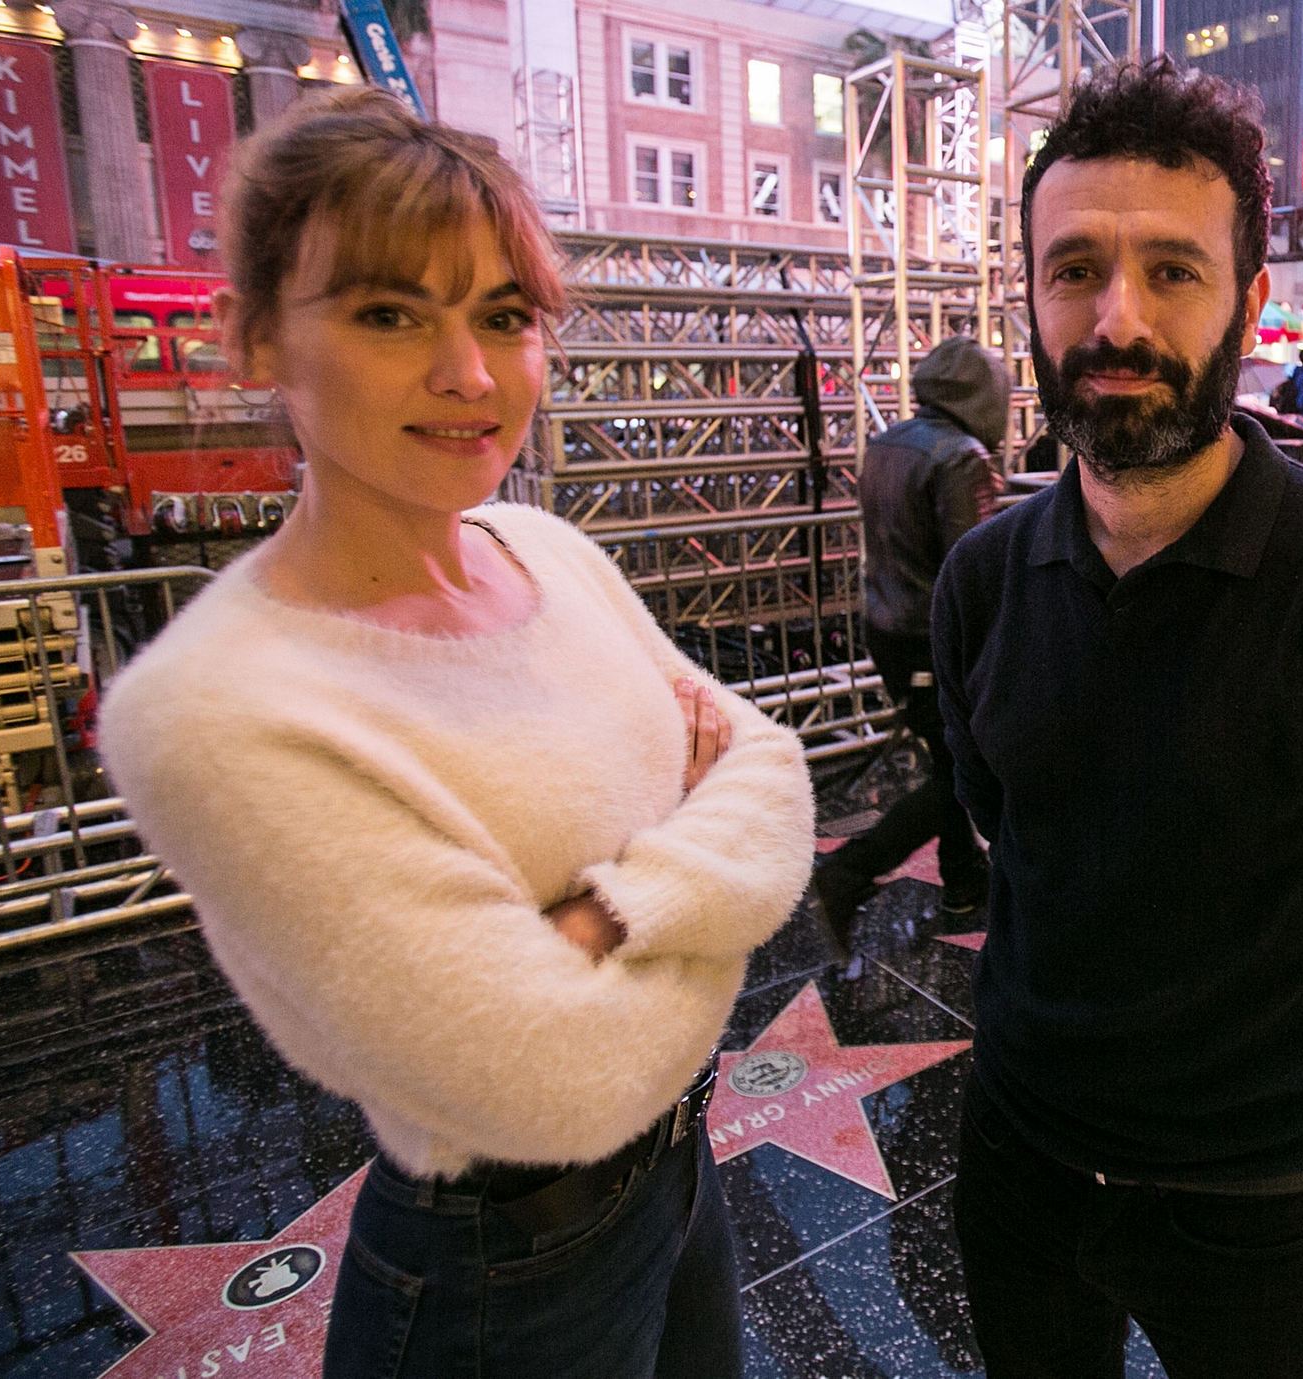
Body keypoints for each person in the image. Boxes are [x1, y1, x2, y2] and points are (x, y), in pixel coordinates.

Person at [96, 90, 816, 1378]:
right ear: (255, 337)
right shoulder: (216, 707)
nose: (469, 376)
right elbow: (562, 1078)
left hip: (681, 1175)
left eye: (504, 316)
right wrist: (711, 881)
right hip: (505, 1266)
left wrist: (604, 916)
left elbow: (776, 774)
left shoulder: (544, 551)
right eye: (388, 313)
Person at [932, 57, 1303, 1379]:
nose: (1118, 315)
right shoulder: (982, 579)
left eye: (1174, 271)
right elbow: (999, 812)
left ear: (1251, 302)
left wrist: (1265, 1026)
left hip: (1255, 1201)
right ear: (1029, 293)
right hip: (1018, 1156)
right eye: (1074, 268)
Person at [811, 335, 1005, 945]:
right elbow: (967, 564)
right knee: (962, 773)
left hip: (888, 628)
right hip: (932, 638)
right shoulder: (961, 456)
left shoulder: (890, 442)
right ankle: (848, 873)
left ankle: (964, 881)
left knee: (951, 759)